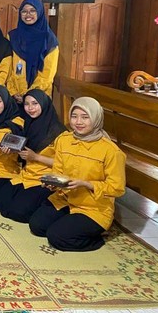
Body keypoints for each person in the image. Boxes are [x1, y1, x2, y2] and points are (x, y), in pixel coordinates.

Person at [29, 97, 126, 251]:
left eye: (85, 117)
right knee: (37, 226)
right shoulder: (64, 140)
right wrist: (52, 183)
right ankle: (69, 223)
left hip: (93, 208)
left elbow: (117, 188)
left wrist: (87, 184)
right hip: (66, 199)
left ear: (96, 118)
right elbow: (58, 170)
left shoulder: (111, 151)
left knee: (57, 238)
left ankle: (96, 239)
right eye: (74, 116)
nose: (78, 122)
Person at [0, 89, 66, 222]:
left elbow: (64, 164)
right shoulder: (28, 124)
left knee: (18, 213)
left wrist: (36, 157)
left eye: (35, 103)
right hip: (26, 173)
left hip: (44, 179)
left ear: (44, 104)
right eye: (27, 104)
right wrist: (12, 150)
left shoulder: (60, 133)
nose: (30, 108)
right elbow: (23, 151)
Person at [7, 0, 59, 102]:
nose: (28, 15)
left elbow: (47, 75)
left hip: (39, 98)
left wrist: (29, 95)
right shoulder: (12, 37)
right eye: (24, 11)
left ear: (39, 13)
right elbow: (8, 67)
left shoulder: (49, 40)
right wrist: (12, 92)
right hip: (15, 97)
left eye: (32, 11)